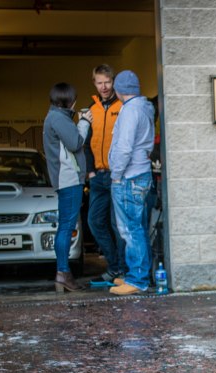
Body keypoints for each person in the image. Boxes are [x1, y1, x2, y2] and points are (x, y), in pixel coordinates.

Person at [108, 70, 155, 296]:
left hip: (129, 176)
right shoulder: (144, 107)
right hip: (141, 174)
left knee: (130, 229)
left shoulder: (129, 111)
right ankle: (138, 274)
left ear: (118, 90)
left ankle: (137, 279)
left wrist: (116, 174)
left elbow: (124, 147)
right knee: (138, 227)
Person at [42, 82, 92, 292]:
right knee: (66, 227)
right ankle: (63, 273)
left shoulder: (55, 116)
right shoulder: (58, 118)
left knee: (65, 226)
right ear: (70, 101)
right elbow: (75, 143)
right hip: (69, 179)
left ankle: (63, 274)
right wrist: (84, 121)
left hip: (66, 179)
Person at [84, 63, 126, 283]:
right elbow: (85, 143)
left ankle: (122, 270)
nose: (104, 87)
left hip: (117, 175)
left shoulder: (123, 106)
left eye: (107, 82)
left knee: (117, 225)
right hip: (98, 177)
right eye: (99, 83)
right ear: (94, 83)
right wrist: (90, 172)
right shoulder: (92, 109)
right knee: (94, 222)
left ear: (113, 82)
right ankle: (114, 265)